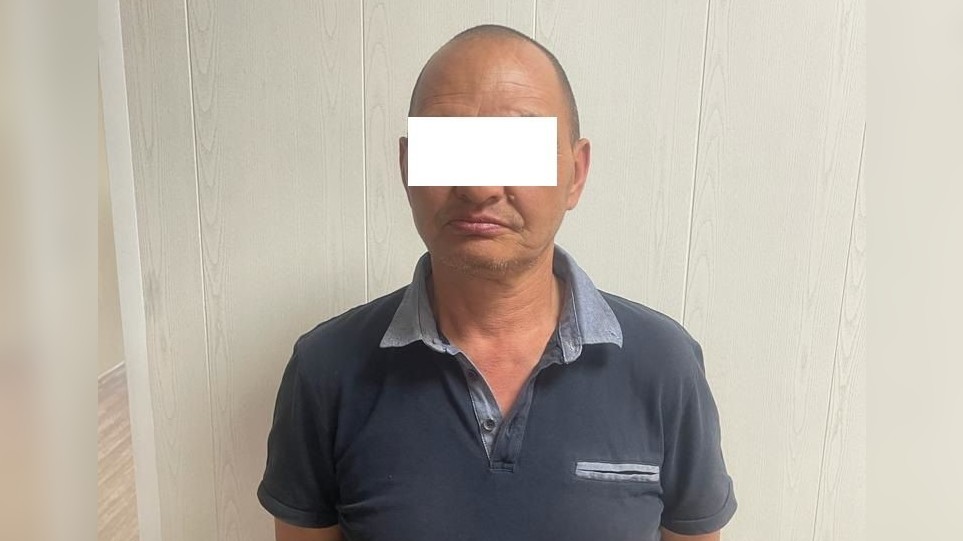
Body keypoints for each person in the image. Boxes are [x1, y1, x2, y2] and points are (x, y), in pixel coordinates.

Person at [257, 24, 736, 541]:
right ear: (407, 167)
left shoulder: (663, 364)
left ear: (575, 174)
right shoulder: (326, 369)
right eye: (448, 149)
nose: (479, 186)